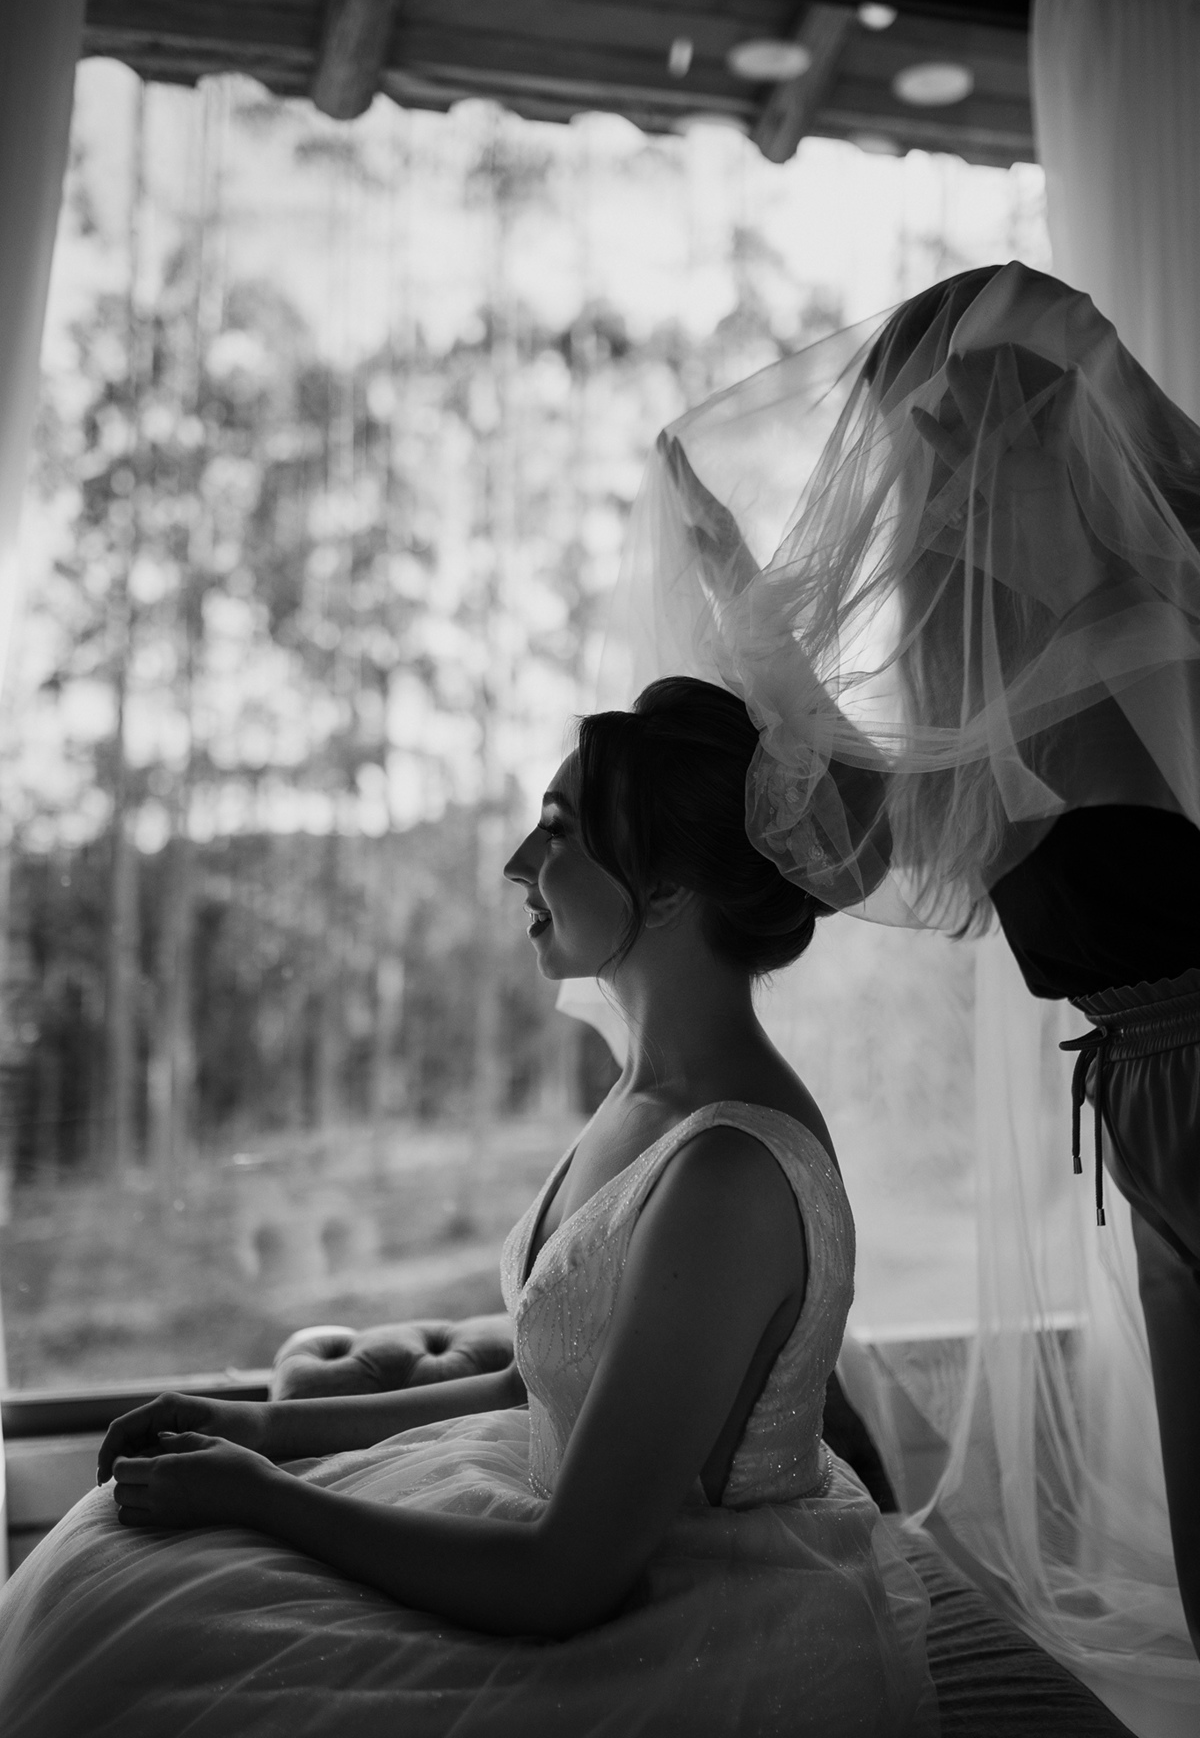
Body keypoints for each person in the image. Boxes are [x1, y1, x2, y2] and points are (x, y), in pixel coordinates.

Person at [0, 676, 936, 1737]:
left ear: (669, 888)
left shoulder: (731, 1175)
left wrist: (262, 1494)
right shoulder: (645, 1098)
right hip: (542, 1528)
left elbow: (565, 1580)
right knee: (115, 1594)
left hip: (681, 1626)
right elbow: (533, 1387)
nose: (519, 863)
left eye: (559, 830)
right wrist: (258, 1425)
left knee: (146, 1653)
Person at [637, 261, 1200, 1656]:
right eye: (916, 438)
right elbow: (851, 856)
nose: (930, 468)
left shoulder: (1158, 625)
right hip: (1146, 1107)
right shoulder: (996, 678)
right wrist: (745, 598)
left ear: (1054, 414)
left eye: (957, 422)